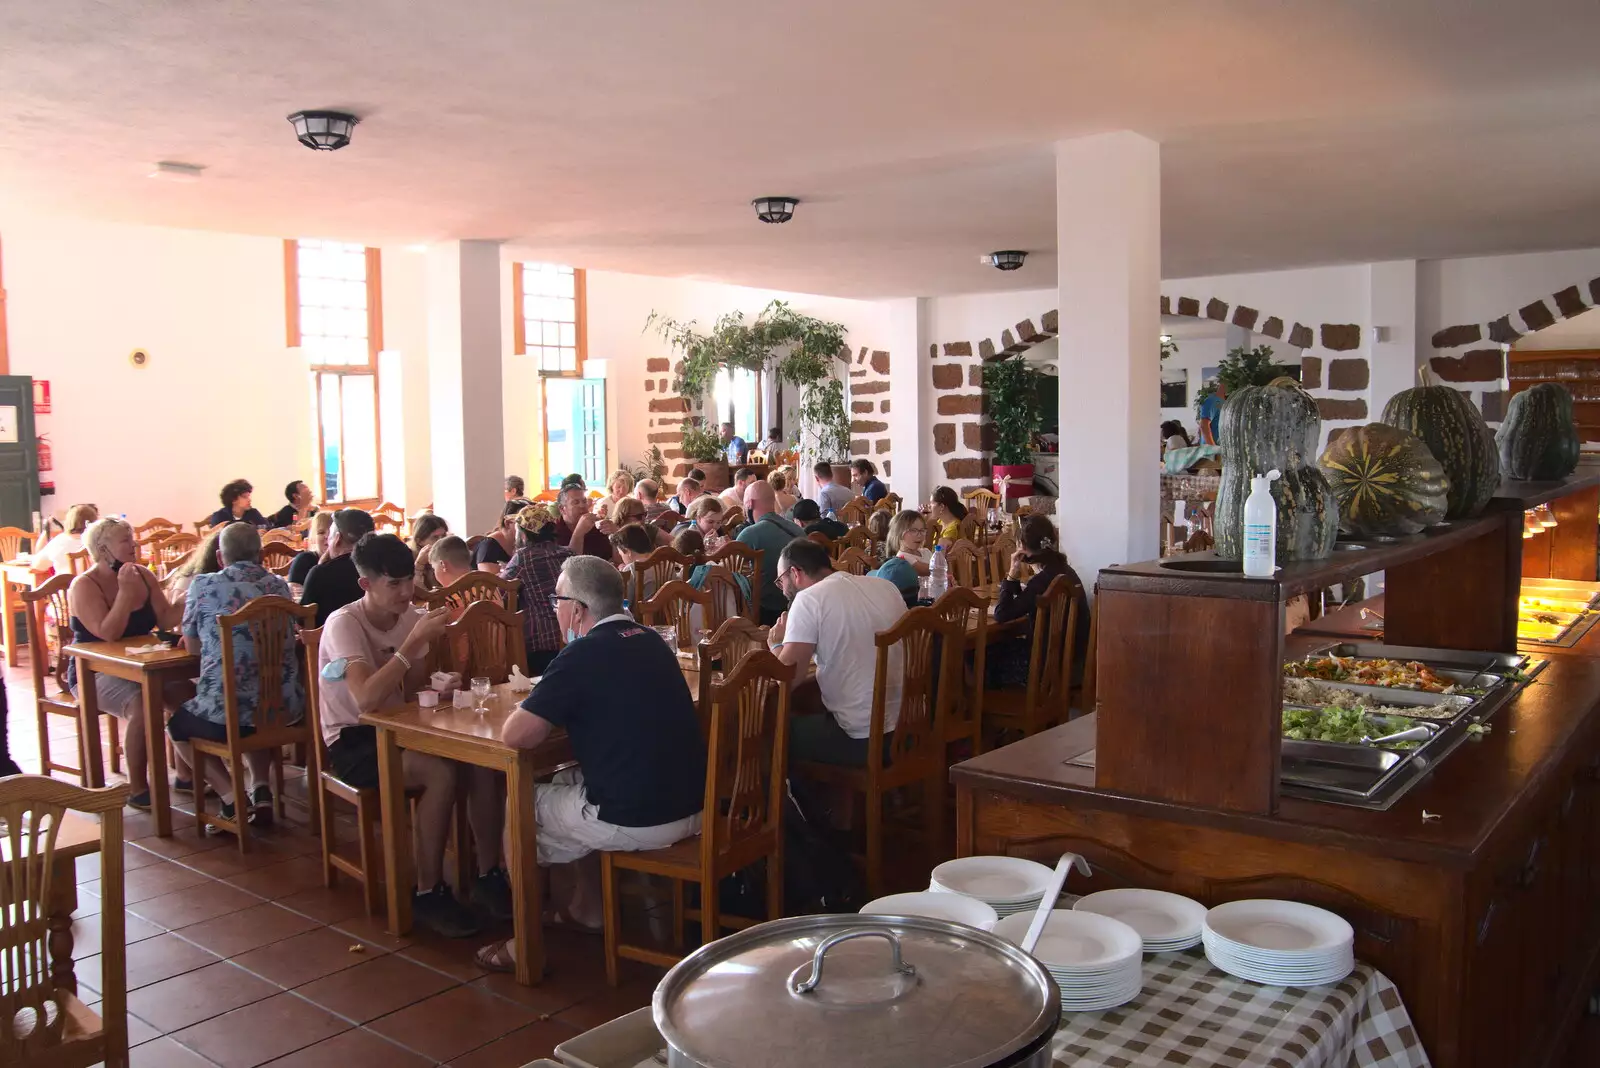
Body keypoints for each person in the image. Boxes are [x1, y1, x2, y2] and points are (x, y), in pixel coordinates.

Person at [475, 556, 705, 967]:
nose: (555, 610)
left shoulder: (581, 655)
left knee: (520, 800)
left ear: (577, 609)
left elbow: (517, 736)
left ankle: (522, 943)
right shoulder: (650, 639)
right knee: (564, 782)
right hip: (693, 803)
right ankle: (587, 907)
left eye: (557, 601)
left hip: (641, 818)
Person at [316, 534, 489, 937]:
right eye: (393, 584)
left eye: (409, 580)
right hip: (353, 739)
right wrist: (410, 646)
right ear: (366, 585)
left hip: (397, 728)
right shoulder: (346, 623)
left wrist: (439, 687)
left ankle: (490, 873)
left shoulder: (410, 616)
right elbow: (365, 700)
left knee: (481, 761)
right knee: (440, 774)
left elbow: (409, 697)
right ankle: (427, 892)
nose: (406, 592)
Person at [166, 523, 300, 829]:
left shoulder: (203, 585)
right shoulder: (278, 586)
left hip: (228, 712)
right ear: (262, 555)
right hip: (283, 708)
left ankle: (232, 798)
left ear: (219, 556)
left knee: (177, 727)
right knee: (256, 706)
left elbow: (194, 646)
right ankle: (261, 788)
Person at [66, 517, 181, 809]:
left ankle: (187, 775)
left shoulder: (142, 574)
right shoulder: (84, 585)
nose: (134, 544)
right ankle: (138, 788)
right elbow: (108, 632)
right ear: (103, 550)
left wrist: (188, 597)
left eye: (132, 538)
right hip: (93, 670)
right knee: (144, 707)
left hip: (142, 664)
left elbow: (165, 619)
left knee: (188, 696)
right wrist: (125, 595)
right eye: (125, 541)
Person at [768, 538, 905, 765]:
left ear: (795, 573)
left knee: (776, 730)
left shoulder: (808, 599)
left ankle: (803, 801)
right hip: (910, 727)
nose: (782, 589)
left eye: (781, 580)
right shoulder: (885, 585)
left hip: (863, 739)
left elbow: (787, 680)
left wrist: (776, 644)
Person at [990, 516, 1091, 688]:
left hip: (1042, 668)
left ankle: (978, 710)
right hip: (1072, 661)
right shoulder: (1066, 571)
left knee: (978, 654)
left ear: (1022, 548)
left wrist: (1012, 572)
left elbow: (1002, 614)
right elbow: (1023, 601)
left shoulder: (1041, 582)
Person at [500, 503, 571, 674]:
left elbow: (500, 592)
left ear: (523, 535)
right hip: (570, 638)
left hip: (540, 646)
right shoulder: (569, 554)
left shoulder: (523, 558)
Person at [736, 481, 805, 626]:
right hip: (800, 605)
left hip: (766, 611)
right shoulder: (797, 529)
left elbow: (731, 569)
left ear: (749, 503)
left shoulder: (750, 534)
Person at [300, 508, 375, 626]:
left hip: (330, 642)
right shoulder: (380, 568)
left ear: (337, 539)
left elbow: (302, 620)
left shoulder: (320, 574)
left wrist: (321, 566)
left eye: (329, 535)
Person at [676, 528, 753, 608]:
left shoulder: (682, 576)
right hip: (729, 616)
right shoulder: (716, 569)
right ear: (703, 548)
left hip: (696, 619)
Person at [870, 510, 932, 607]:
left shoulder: (926, 552)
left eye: (922, 530)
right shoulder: (902, 558)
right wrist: (942, 566)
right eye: (913, 530)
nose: (919, 535)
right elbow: (928, 570)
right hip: (916, 603)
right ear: (898, 533)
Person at [32, 502, 99, 577]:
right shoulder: (101, 541)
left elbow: (37, 566)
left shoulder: (60, 541)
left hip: (68, 587)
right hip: (98, 587)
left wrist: (45, 530)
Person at [554, 484, 616, 559]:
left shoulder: (597, 526)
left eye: (584, 501)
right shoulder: (553, 532)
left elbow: (618, 561)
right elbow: (570, 565)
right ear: (562, 509)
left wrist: (615, 535)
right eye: (576, 502)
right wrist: (579, 532)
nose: (582, 506)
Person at [475, 497, 530, 572]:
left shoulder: (526, 544)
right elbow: (488, 580)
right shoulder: (488, 546)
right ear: (507, 523)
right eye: (523, 524)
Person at [287, 511, 333, 586]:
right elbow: (294, 591)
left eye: (331, 532)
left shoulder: (345, 562)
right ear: (313, 538)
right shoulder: (304, 560)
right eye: (321, 533)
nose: (327, 536)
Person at [204, 479, 269, 529]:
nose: (249, 500)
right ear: (233, 500)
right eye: (245, 497)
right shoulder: (219, 516)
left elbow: (266, 526)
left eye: (249, 496)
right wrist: (254, 532)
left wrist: (262, 529)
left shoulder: (253, 512)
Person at [409, 513, 449, 589]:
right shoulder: (409, 557)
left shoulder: (447, 553)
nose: (441, 541)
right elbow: (419, 593)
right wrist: (419, 565)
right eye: (435, 537)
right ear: (419, 541)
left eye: (443, 536)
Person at [1198, 381, 1228, 446]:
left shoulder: (1225, 403)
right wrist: (1213, 449)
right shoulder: (1211, 401)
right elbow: (1204, 425)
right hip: (1211, 452)